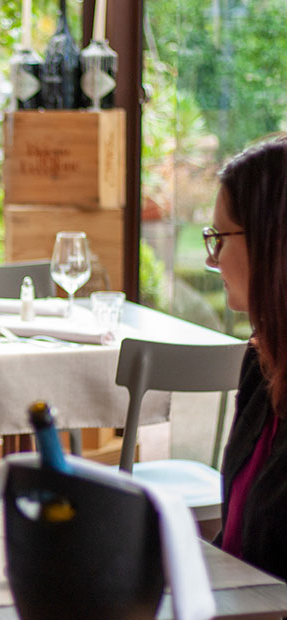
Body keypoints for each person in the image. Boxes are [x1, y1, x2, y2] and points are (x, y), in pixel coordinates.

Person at [205, 135, 287, 580]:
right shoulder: (262, 363)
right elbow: (238, 540)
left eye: (220, 239)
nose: (212, 260)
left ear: (274, 242)